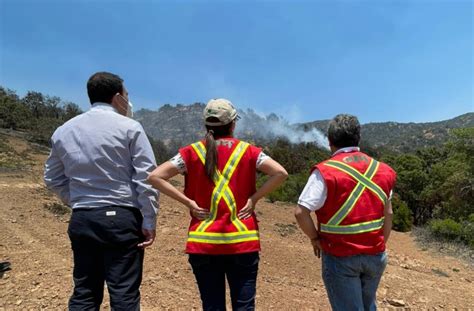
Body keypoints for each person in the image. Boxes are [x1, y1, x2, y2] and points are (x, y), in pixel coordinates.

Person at [147, 98, 288, 310]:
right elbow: (280, 173)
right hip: (243, 242)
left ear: (206, 125)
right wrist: (254, 198)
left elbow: (155, 177)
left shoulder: (190, 152)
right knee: (244, 306)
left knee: (212, 306)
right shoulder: (249, 151)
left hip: (203, 244)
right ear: (233, 124)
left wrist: (188, 202)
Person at [44, 71, 159, 310]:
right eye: (126, 95)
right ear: (118, 97)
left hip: (83, 218)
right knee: (124, 292)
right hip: (122, 218)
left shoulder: (64, 130)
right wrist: (148, 219)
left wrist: (77, 200)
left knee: (84, 291)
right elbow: (146, 178)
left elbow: (52, 178)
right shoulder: (130, 127)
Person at [294, 114, 396, 311]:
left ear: (330, 141)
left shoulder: (325, 171)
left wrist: (315, 238)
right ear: (358, 138)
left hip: (340, 256)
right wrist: (379, 244)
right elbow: (388, 213)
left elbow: (301, 212)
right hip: (375, 255)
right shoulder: (383, 170)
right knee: (369, 307)